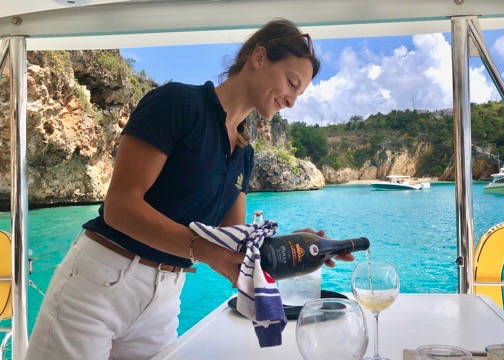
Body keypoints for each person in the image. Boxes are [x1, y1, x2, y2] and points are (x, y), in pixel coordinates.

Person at [26, 18, 353, 360]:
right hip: (101, 282)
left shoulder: (244, 152)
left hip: (166, 298)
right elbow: (120, 207)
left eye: (299, 94)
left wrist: (295, 248)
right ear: (258, 58)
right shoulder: (178, 103)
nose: (291, 101)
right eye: (290, 83)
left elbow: (233, 240)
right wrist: (206, 252)